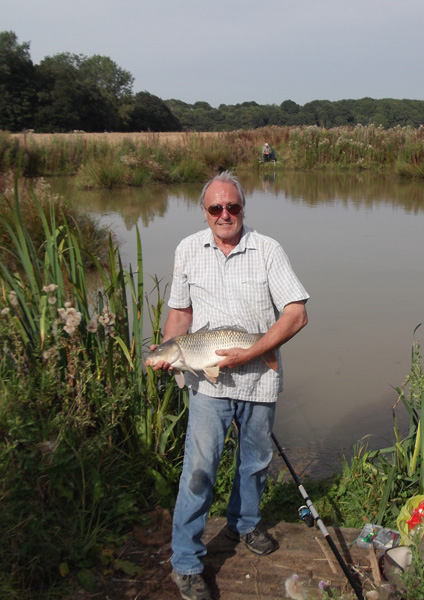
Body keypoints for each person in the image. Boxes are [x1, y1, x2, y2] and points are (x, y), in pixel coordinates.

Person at [148, 171, 309, 600]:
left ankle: (246, 524)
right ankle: (186, 561)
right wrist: (169, 354)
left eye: (232, 207)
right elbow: (180, 315)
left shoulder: (268, 249)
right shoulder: (187, 249)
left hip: (259, 380)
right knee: (198, 471)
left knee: (255, 463)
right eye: (216, 208)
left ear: (242, 209)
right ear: (204, 212)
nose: (225, 214)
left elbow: (296, 314)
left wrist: (254, 352)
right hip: (207, 383)